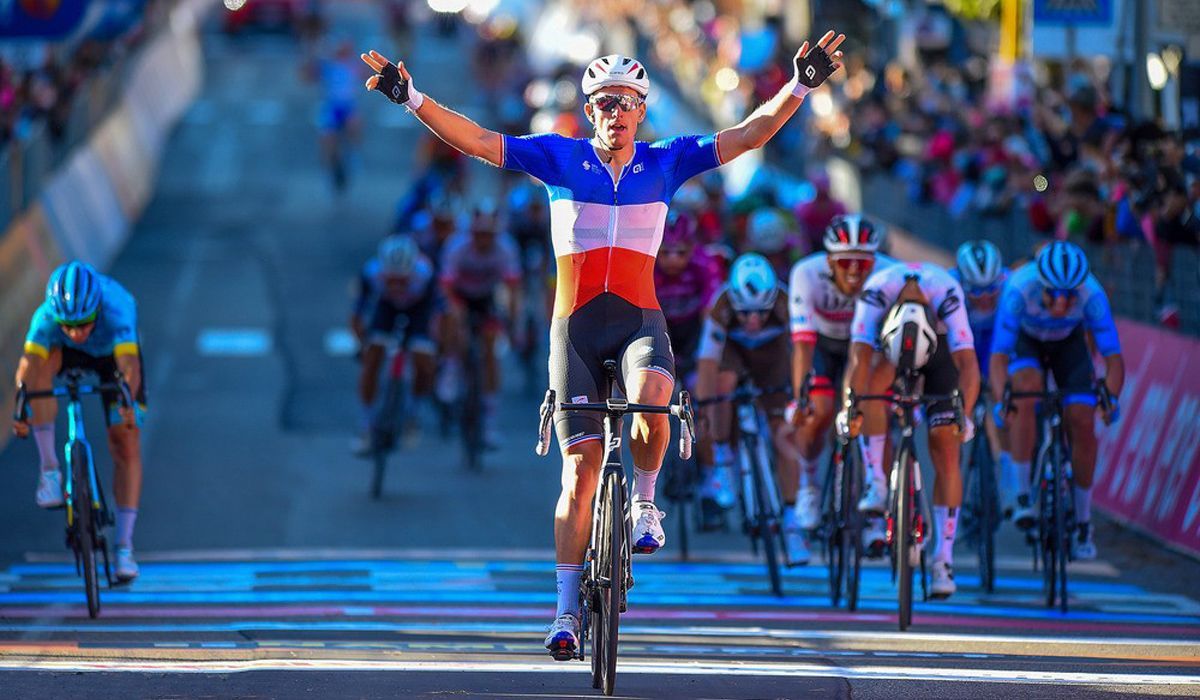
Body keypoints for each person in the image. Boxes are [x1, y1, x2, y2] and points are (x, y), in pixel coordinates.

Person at [360, 30, 846, 659]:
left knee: (650, 401)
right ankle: (564, 612)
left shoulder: (667, 161)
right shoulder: (560, 159)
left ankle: (646, 507)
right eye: (604, 103)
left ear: (643, 110)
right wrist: (412, 99)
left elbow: (750, 133)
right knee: (581, 472)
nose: (616, 113)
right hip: (577, 329)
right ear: (589, 110)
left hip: (640, 320)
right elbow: (481, 141)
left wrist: (798, 86)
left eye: (626, 102)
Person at [841, 262, 980, 599]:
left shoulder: (946, 292)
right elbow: (858, 360)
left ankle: (943, 559)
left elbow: (967, 364)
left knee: (946, 445)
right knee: (870, 390)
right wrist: (851, 409)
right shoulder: (876, 292)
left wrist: (966, 415)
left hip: (940, 355)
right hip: (889, 351)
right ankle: (876, 482)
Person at [12, 262, 146, 581]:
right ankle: (50, 471)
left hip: (111, 356)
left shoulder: (118, 308)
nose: (76, 332)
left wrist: (127, 405)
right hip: (66, 355)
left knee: (125, 442)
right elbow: (25, 369)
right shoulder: (45, 317)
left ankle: (124, 546)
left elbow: (130, 367)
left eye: (83, 323)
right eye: (67, 324)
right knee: (38, 373)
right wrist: (21, 411)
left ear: (96, 311)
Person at [988, 241, 1123, 560]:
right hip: (1027, 340)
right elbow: (998, 357)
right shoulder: (1019, 288)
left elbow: (1114, 359)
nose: (1062, 302)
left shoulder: (1092, 294)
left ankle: (1083, 522)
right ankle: (1021, 493)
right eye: (1054, 295)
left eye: (1069, 296)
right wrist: (1000, 400)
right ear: (1041, 285)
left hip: (1068, 344)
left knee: (1082, 420)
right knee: (1025, 391)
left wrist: (1111, 399)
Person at [695, 254, 807, 563]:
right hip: (734, 355)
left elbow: (801, 351)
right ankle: (723, 460)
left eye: (760, 312)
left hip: (774, 360)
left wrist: (798, 395)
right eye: (745, 314)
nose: (753, 321)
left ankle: (792, 518)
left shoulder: (786, 302)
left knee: (785, 435)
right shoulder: (722, 306)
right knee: (722, 384)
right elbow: (707, 361)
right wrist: (705, 407)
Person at [786, 214, 894, 532]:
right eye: (846, 261)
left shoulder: (889, 273)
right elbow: (803, 347)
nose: (854, 271)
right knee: (816, 412)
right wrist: (799, 399)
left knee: (878, 413)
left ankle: (879, 499)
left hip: (870, 347)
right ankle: (808, 485)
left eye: (863, 263)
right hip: (823, 345)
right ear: (829, 260)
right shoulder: (806, 273)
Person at [436, 200, 523, 444]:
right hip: (460, 295)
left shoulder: (506, 248)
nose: (483, 240)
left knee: (489, 351)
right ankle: (452, 365)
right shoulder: (457, 247)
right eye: (479, 234)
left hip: (487, 298)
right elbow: (445, 288)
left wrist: (513, 325)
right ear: (470, 232)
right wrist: (455, 314)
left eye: (488, 235)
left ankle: (489, 419)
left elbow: (513, 291)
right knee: (454, 319)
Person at [350, 235, 438, 452]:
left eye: (403, 280)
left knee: (423, 360)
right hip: (386, 308)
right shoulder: (372, 273)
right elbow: (357, 315)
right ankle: (367, 425)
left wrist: (437, 348)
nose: (397, 285)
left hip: (419, 310)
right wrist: (362, 344)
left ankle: (412, 415)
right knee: (372, 357)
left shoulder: (426, 274)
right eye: (392, 280)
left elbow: (440, 313)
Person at [950, 240, 1015, 512]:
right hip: (962, 342)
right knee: (952, 410)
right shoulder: (949, 285)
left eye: (991, 290)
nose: (986, 298)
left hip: (996, 342)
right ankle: (954, 468)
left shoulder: (1011, 285)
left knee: (1007, 404)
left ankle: (1010, 473)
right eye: (976, 292)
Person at [654, 211, 720, 383]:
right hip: (660, 325)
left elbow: (710, 310)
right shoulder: (649, 266)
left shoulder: (704, 263)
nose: (673, 260)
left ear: (691, 248)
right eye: (666, 252)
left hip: (692, 327)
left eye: (681, 252)